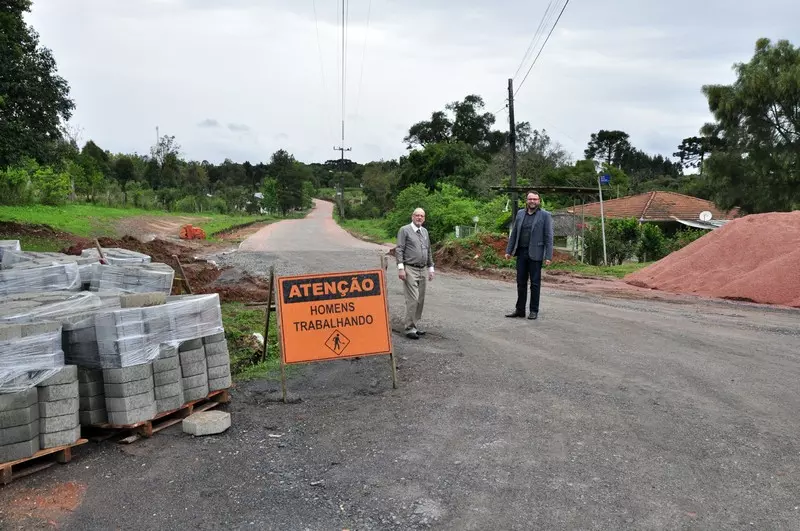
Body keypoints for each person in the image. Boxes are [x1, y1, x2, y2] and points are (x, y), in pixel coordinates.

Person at [504, 191, 553, 320]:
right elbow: (514, 233)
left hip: (536, 254)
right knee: (521, 283)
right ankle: (520, 310)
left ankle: (533, 310)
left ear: (539, 201)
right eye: (530, 199)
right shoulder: (520, 214)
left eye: (535, 199)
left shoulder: (545, 216)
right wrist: (508, 251)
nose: (532, 201)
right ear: (526, 200)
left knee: (535, 284)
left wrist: (548, 256)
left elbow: (549, 236)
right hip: (521, 253)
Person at [396, 207, 434, 339]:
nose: (419, 218)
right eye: (417, 215)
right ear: (412, 216)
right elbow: (399, 249)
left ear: (424, 218)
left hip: (422, 268)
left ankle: (414, 325)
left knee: (420, 299)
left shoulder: (424, 232)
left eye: (422, 216)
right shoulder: (404, 230)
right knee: (413, 298)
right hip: (410, 268)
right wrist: (401, 268)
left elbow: (428, 250)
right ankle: (409, 328)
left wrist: (431, 267)